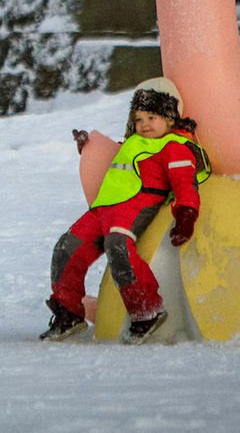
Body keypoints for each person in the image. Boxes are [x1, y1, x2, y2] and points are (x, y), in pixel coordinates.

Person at [42, 77, 209, 344]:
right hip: (103, 209)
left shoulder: (174, 147)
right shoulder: (132, 143)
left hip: (133, 207)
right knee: (66, 248)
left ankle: (146, 311)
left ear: (170, 118)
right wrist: (89, 146)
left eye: (152, 117)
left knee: (118, 246)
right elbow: (115, 159)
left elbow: (185, 184)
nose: (144, 125)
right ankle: (68, 312)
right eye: (139, 118)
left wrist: (186, 214)